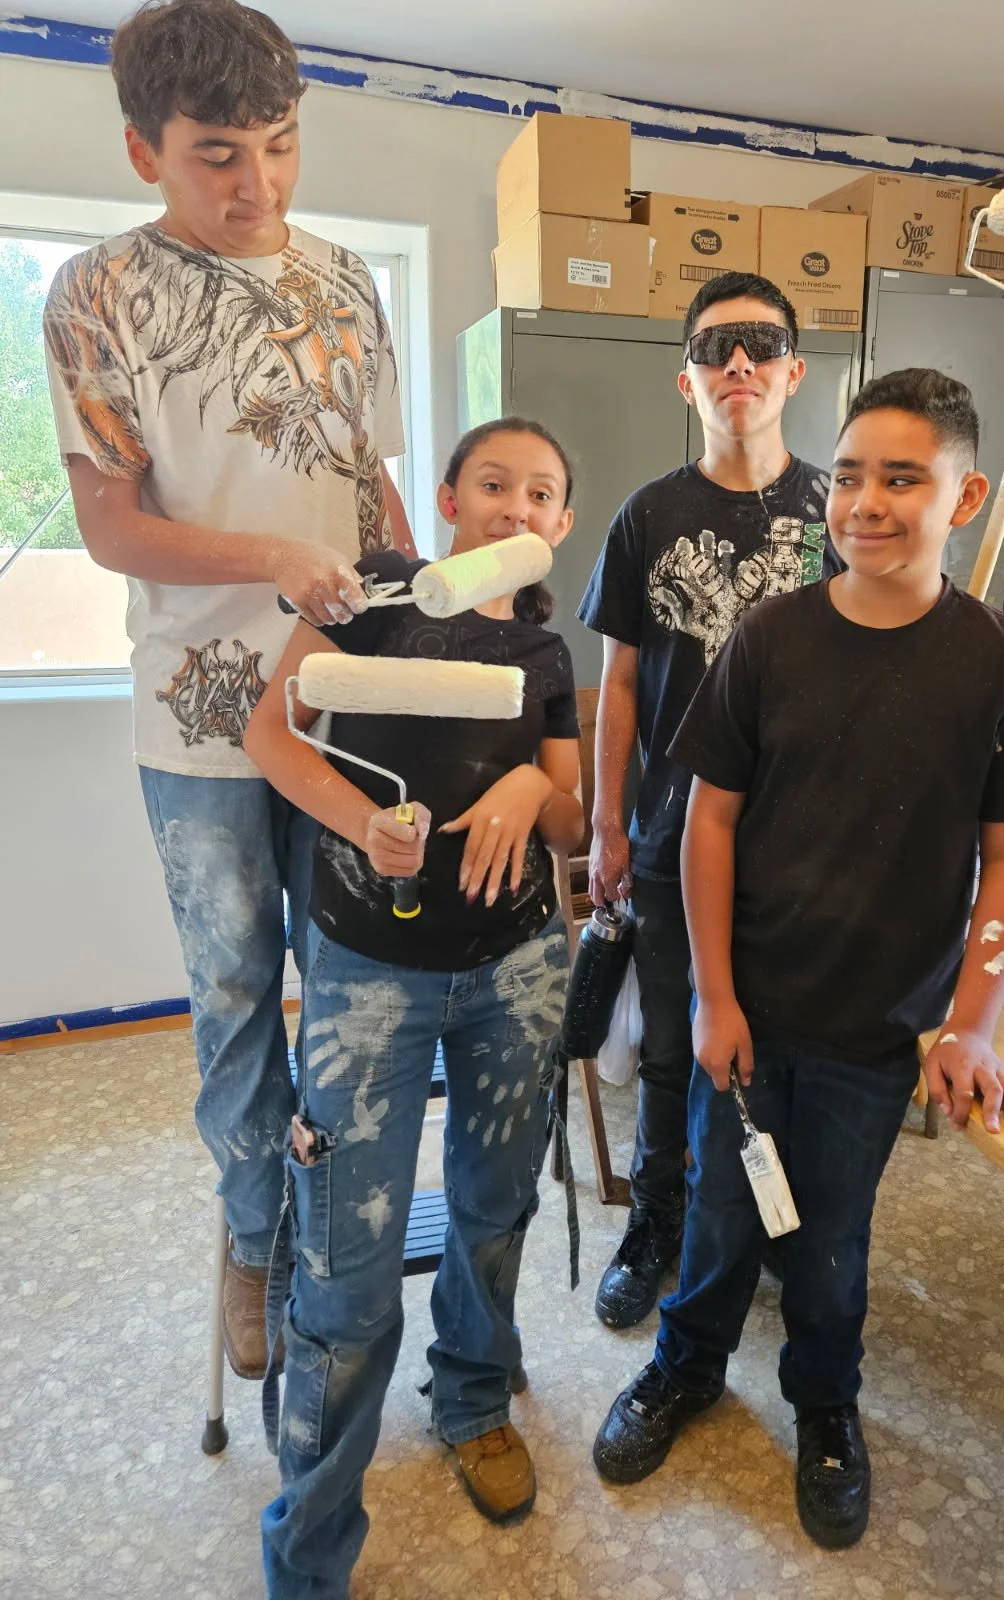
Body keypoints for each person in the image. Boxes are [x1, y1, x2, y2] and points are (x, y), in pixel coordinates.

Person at [592, 368, 1004, 1549]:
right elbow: (709, 821)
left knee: (828, 1244)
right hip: (750, 1011)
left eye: (902, 479)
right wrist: (713, 996)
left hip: (875, 1031)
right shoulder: (771, 639)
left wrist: (972, 1023)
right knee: (720, 1212)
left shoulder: (1001, 661)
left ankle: (825, 1404)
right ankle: (685, 1365)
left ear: (964, 497)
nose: (865, 502)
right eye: (851, 474)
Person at [41, 0, 415, 1378]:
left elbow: (369, 484)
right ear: (145, 150)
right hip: (196, 722)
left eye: (280, 144)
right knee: (239, 990)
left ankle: (341, 1223)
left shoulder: (347, 281)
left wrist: (424, 593)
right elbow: (111, 528)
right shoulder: (94, 292)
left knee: (356, 976)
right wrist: (273, 557)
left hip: (337, 702)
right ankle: (255, 1236)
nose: (259, 184)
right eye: (217, 155)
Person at [243, 417, 582, 1592]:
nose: (514, 507)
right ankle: (310, 1541)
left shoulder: (544, 653)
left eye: (539, 494)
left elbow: (571, 816)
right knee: (347, 1258)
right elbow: (272, 733)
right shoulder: (378, 593)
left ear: (559, 524)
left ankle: (473, 1397)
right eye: (493, 483)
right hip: (367, 973)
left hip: (517, 967)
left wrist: (531, 782)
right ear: (448, 500)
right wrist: (363, 825)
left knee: (493, 1207)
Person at [577, 271, 839, 1328]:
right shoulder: (648, 516)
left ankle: (763, 1222)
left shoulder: (837, 512)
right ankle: (658, 1221)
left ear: (793, 373)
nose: (739, 362)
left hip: (800, 844)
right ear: (686, 380)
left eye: (761, 345)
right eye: (716, 347)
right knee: (671, 1047)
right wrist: (607, 823)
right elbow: (619, 685)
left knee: (779, 1042)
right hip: (672, 833)